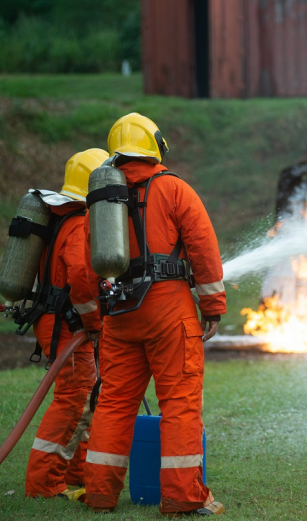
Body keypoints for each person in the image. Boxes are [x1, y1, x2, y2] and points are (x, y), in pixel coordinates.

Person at [83, 113, 227, 515]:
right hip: (169, 311)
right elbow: (203, 248)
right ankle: (183, 497)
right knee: (179, 403)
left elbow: (88, 259)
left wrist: (99, 313)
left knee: (113, 403)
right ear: (155, 146)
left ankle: (99, 493)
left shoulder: (100, 200)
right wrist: (212, 305)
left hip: (119, 314)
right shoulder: (174, 189)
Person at [24, 148, 109, 499]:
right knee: (72, 399)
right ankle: (44, 484)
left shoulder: (62, 219)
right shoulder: (78, 225)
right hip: (67, 326)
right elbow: (80, 277)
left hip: (58, 322)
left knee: (86, 398)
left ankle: (75, 475)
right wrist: (93, 322)